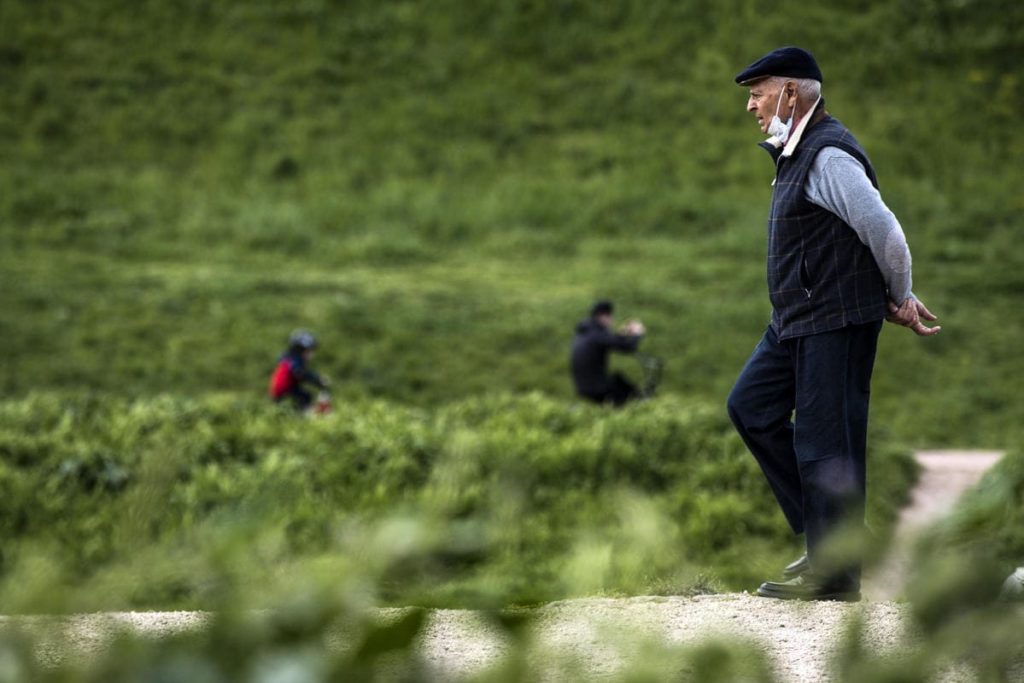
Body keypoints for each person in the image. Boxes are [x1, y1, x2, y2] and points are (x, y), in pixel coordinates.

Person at [725, 47, 941, 602]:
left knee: (826, 445)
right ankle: (834, 539)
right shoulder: (794, 152)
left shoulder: (828, 156)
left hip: (836, 320)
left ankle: (837, 575)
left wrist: (899, 296)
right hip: (794, 320)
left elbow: (886, 232)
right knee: (750, 407)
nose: (751, 105)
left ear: (791, 94)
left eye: (759, 92)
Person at [571, 300, 646, 407]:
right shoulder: (597, 332)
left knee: (619, 382)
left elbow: (610, 341)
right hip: (597, 387)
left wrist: (623, 334)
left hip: (584, 385)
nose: (612, 320)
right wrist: (638, 334)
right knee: (631, 395)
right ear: (603, 316)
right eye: (611, 316)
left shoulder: (587, 330)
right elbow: (628, 347)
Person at [268, 329, 330, 411]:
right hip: (285, 392)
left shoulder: (289, 358)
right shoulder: (294, 360)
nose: (312, 354)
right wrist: (317, 379)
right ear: (301, 350)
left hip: (286, 390)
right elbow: (300, 373)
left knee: (306, 395)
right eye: (310, 351)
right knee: (304, 398)